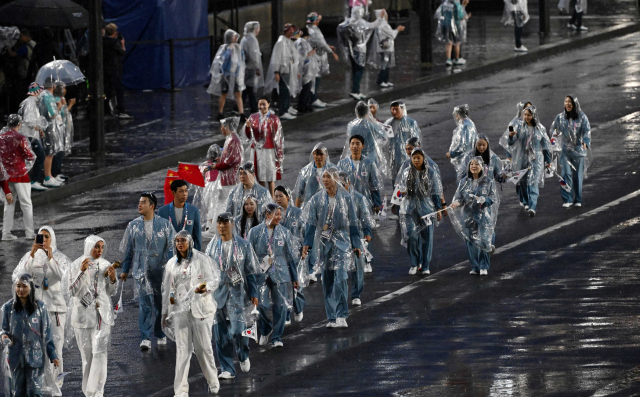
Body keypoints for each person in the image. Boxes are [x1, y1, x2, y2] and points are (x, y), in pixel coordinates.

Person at [161, 231, 221, 395]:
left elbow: (213, 279)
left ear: (190, 242)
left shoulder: (202, 259)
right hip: (180, 311)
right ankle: (180, 391)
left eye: (183, 241)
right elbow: (167, 291)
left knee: (203, 348)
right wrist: (165, 313)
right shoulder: (171, 264)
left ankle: (212, 380)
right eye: (177, 241)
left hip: (201, 309)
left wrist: (204, 288)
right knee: (182, 350)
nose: (180, 244)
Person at [12, 226, 70, 395]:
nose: (43, 240)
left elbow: (66, 278)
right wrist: (31, 254)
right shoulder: (31, 257)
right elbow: (18, 276)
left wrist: (51, 259)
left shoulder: (60, 257)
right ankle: (43, 385)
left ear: (52, 239)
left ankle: (56, 386)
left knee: (56, 349)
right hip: (36, 310)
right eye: (41, 237)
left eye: (47, 237)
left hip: (56, 310)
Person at [302, 167, 363, 328]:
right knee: (327, 281)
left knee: (341, 278)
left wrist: (356, 244)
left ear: (335, 178)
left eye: (328, 176)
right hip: (324, 244)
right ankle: (331, 316)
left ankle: (342, 314)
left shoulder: (346, 198)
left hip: (342, 244)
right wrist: (307, 244)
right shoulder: (316, 200)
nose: (326, 179)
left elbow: (353, 223)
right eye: (324, 177)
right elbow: (311, 224)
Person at [205, 212, 259, 379]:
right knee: (220, 334)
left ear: (232, 224)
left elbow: (250, 271)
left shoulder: (243, 245)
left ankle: (243, 354)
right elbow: (206, 272)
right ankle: (227, 368)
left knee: (238, 330)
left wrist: (253, 292)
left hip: (238, 293)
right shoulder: (212, 247)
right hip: (218, 295)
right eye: (219, 223)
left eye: (225, 223)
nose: (221, 226)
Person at [120, 192, 175, 350]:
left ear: (152, 206)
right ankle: (145, 337)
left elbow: (171, 247)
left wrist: (171, 267)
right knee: (144, 304)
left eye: (143, 202)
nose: (139, 205)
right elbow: (129, 250)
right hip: (141, 271)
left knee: (160, 304)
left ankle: (160, 333)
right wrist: (125, 270)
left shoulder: (165, 225)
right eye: (139, 202)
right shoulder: (133, 226)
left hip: (160, 270)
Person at [69, 235, 118, 397]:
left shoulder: (105, 265)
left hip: (102, 316)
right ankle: (88, 392)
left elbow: (111, 292)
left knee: (100, 353)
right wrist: (82, 272)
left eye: (102, 247)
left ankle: (98, 391)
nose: (99, 250)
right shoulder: (76, 265)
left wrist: (112, 280)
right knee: (87, 357)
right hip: (83, 318)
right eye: (96, 246)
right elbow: (72, 291)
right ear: (89, 246)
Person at [248, 204, 299, 347]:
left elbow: (290, 257)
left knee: (280, 306)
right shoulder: (254, 232)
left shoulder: (285, 232)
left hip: (281, 274)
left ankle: (277, 337)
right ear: (267, 214)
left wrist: (294, 277)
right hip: (261, 274)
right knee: (261, 306)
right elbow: (249, 256)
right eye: (276, 214)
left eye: (280, 214)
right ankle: (266, 329)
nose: (279, 217)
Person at [1, 274, 60, 397]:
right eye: (18, 286)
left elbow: (47, 333)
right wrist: (4, 336)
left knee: (35, 391)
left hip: (35, 356)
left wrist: (52, 354)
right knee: (17, 392)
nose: (21, 290)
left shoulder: (41, 307)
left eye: (24, 286)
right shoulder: (7, 308)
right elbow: (3, 329)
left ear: (31, 287)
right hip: (15, 356)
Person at [449, 157, 500, 276]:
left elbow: (493, 198)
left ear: (482, 167)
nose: (473, 166)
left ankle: (483, 266)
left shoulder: (488, 181)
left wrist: (485, 200)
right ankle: (475, 266)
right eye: (471, 164)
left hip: (483, 216)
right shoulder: (464, 181)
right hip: (468, 215)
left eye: (477, 164)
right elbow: (458, 197)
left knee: (484, 240)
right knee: (470, 241)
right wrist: (456, 203)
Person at [397, 148, 443, 275]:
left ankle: (425, 264)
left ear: (423, 159)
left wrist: (438, 208)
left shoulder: (431, 173)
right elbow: (399, 191)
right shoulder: (406, 173)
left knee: (427, 237)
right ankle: (414, 262)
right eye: (414, 158)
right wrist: (402, 194)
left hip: (426, 208)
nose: (416, 160)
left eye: (418, 157)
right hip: (409, 209)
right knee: (410, 236)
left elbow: (435, 192)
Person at [503, 105, 551, 216]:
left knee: (533, 182)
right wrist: (511, 137)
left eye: (529, 115)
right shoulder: (519, 127)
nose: (526, 117)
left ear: (534, 116)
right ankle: (526, 202)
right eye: (525, 115)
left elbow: (545, 145)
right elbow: (511, 143)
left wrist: (548, 161)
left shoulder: (540, 129)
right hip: (522, 158)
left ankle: (532, 207)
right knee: (523, 181)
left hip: (536, 159)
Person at [202, 117, 243, 238]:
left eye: (222, 127)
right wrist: (222, 160)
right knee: (223, 202)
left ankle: (216, 230)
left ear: (227, 127)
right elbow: (230, 159)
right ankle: (217, 229)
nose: (221, 129)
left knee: (223, 203)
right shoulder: (230, 139)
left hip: (230, 179)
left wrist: (215, 166)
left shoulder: (233, 140)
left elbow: (232, 162)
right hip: (227, 178)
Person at [337, 171, 374, 299]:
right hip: (340, 238)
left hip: (357, 237)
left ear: (349, 183)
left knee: (358, 266)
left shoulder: (359, 198)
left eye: (342, 184)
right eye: (338, 184)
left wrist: (368, 232)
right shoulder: (333, 199)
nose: (340, 187)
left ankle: (356, 294)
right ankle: (341, 296)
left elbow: (365, 218)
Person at [550, 95, 591, 208]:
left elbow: (587, 130)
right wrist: (555, 135)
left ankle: (578, 199)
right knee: (565, 174)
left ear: (574, 104)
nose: (567, 104)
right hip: (566, 151)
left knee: (578, 176)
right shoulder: (560, 117)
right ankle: (567, 199)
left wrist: (586, 142)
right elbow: (554, 128)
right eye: (566, 101)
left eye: (570, 102)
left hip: (578, 151)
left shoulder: (582, 117)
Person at [1, 114, 37, 241]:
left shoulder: (1, 138)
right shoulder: (21, 138)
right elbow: (29, 155)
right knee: (26, 203)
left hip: (6, 175)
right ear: (19, 124)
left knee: (8, 204)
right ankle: (29, 232)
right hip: (21, 174)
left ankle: (6, 233)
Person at [336, 7, 384, 100]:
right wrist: (380, 17)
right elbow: (373, 25)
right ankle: (355, 91)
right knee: (360, 70)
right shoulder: (361, 22)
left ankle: (356, 90)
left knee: (354, 69)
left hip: (351, 49)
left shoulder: (348, 22)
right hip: (360, 49)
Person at [274, 185, 306, 322]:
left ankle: (298, 307)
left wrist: (306, 249)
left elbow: (305, 233)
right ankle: (286, 314)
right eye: (276, 196)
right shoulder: (274, 214)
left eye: (281, 196)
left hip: (296, 256)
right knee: (283, 285)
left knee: (296, 284)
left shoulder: (298, 213)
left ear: (288, 196)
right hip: (281, 256)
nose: (278, 199)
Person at [337, 135, 384, 220]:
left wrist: (377, 204)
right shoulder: (342, 164)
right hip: (348, 202)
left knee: (366, 227)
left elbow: (374, 185)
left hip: (365, 202)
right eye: (352, 144)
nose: (355, 146)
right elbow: (338, 185)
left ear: (362, 146)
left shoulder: (369, 163)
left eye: (357, 144)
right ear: (349, 146)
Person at [244, 97, 284, 196]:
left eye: (264, 104)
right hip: (257, 150)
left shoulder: (274, 119)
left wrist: (279, 154)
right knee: (260, 177)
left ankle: (273, 199)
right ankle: (264, 198)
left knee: (270, 178)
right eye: (260, 104)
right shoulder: (253, 117)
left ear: (268, 104)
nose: (262, 106)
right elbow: (249, 136)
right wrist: (248, 127)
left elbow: (278, 137)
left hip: (269, 151)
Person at [264, 24, 301, 120]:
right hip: (283, 70)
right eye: (290, 30)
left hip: (289, 69)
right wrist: (276, 71)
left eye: (293, 30)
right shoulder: (280, 43)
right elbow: (276, 57)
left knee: (287, 90)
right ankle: (283, 110)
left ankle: (287, 107)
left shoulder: (288, 42)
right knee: (284, 90)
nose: (292, 31)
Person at [343, 101, 389, 175]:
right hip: (370, 157)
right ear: (368, 112)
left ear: (356, 111)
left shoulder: (351, 126)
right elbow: (384, 137)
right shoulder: (371, 126)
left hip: (355, 157)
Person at [208, 29, 245, 120]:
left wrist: (239, 73)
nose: (236, 38)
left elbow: (241, 60)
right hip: (226, 75)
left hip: (235, 75)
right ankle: (220, 112)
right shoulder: (224, 48)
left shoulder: (238, 48)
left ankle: (242, 113)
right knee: (224, 93)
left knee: (238, 93)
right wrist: (229, 49)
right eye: (234, 36)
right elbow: (221, 59)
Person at [500, 101, 532, 206]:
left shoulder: (533, 122)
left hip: (529, 154)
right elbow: (509, 142)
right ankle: (523, 197)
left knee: (528, 177)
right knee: (520, 178)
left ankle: (527, 199)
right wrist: (509, 156)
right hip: (517, 155)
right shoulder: (515, 123)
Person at [18, 82, 48, 191]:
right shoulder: (30, 103)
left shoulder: (32, 102)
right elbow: (28, 120)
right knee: (39, 157)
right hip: (28, 136)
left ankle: (28, 182)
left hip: (29, 136)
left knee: (32, 159)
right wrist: (37, 125)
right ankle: (32, 181)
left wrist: (38, 128)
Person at [306, 12, 339, 108]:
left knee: (313, 78)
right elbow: (321, 43)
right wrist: (332, 53)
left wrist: (328, 46)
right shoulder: (314, 31)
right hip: (315, 57)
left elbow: (320, 43)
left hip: (313, 55)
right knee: (315, 77)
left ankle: (311, 98)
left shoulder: (310, 29)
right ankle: (313, 98)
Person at [158, 179, 203, 250]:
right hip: (169, 254)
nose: (184, 194)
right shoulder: (162, 211)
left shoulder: (193, 211)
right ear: (173, 193)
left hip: (188, 253)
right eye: (181, 191)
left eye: (186, 191)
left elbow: (197, 236)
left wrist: (197, 255)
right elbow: (160, 237)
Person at [37, 78, 64, 188]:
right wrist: (59, 106)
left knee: (49, 151)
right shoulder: (48, 96)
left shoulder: (43, 95)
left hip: (46, 126)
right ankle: (48, 176)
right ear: (53, 86)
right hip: (49, 127)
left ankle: (50, 176)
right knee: (49, 152)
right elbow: (53, 114)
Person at [368, 9, 405, 88]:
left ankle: (385, 80)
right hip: (385, 48)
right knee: (384, 64)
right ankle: (381, 80)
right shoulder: (384, 26)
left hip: (383, 48)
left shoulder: (380, 25)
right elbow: (392, 35)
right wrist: (398, 29)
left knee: (386, 64)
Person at [386, 101, 421, 180]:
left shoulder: (410, 123)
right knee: (396, 182)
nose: (394, 112)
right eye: (392, 109)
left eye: (396, 109)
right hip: (393, 159)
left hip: (406, 157)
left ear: (402, 109)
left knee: (407, 180)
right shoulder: (389, 123)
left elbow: (416, 141)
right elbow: (385, 140)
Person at [293, 143, 335, 209]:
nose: (318, 157)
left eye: (321, 154)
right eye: (316, 154)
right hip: (310, 209)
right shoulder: (305, 171)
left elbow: (340, 190)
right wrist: (296, 212)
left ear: (326, 155)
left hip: (328, 208)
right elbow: (300, 195)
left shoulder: (333, 170)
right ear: (313, 154)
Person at [103, 23, 131, 118]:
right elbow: (122, 52)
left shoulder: (102, 41)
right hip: (114, 69)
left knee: (106, 90)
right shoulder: (114, 43)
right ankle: (121, 110)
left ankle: (106, 111)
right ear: (114, 32)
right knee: (119, 90)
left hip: (105, 69)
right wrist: (122, 44)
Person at [446, 104, 478, 181]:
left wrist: (452, 153)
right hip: (469, 157)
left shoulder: (465, 126)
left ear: (458, 114)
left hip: (466, 159)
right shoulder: (468, 123)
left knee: (463, 182)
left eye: (456, 113)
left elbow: (464, 146)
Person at [51, 82, 74, 182]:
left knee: (60, 150)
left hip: (62, 127)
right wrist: (70, 105)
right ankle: (55, 172)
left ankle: (58, 171)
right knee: (58, 150)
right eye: (64, 88)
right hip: (57, 127)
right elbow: (62, 113)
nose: (66, 90)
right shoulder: (57, 99)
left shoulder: (61, 99)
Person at [240, 22, 264, 114]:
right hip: (250, 67)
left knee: (247, 89)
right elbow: (254, 55)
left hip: (245, 67)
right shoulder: (252, 40)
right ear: (255, 29)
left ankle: (238, 107)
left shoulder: (244, 38)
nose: (259, 30)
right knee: (251, 89)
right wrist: (257, 67)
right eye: (258, 28)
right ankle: (253, 108)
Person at [294, 27, 320, 114]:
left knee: (308, 86)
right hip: (305, 68)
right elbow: (302, 55)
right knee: (306, 86)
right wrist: (311, 53)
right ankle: (302, 105)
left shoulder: (302, 42)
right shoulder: (302, 42)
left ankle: (306, 104)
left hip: (307, 67)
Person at [435, 0, 466, 66]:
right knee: (457, 43)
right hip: (455, 26)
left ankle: (448, 59)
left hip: (445, 25)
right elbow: (460, 16)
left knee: (448, 43)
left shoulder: (443, 5)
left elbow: (438, 14)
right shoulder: (457, 5)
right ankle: (457, 59)